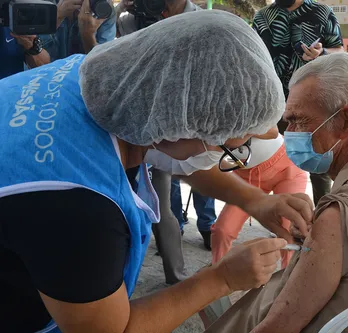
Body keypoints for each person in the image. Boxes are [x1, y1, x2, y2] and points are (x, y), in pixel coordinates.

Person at [0, 11, 314, 333]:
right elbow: (111, 330)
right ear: (176, 125)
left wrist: (256, 201)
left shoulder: (98, 81)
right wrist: (221, 278)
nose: (222, 160)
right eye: (224, 149)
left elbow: (178, 154)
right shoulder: (80, 207)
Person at [205, 52, 348, 333]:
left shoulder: (338, 212)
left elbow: (278, 327)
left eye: (299, 120)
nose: (290, 134)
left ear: (347, 122)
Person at [114, 0, 208, 282]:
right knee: (119, 202)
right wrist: (118, 15)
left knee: (161, 205)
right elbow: (116, 63)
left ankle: (176, 278)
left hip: (175, 129)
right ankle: (115, 277)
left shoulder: (203, 21)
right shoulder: (130, 19)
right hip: (125, 124)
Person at [253, 0, 344, 206]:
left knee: (318, 164)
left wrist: (323, 54)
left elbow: (340, 50)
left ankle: (322, 217)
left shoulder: (322, 12)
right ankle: (280, 215)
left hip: (311, 102)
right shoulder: (263, 17)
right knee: (271, 160)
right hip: (271, 102)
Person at [211, 127, 308, 268]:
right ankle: (218, 273)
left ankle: (287, 279)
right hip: (247, 176)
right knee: (223, 229)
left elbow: (273, 131)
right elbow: (213, 163)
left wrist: (238, 132)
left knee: (288, 230)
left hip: (286, 168)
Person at [39, 0, 116, 59]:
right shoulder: (42, 5)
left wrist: (88, 35)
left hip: (84, 76)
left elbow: (102, 65)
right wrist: (57, 16)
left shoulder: (104, 10)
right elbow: (31, 51)